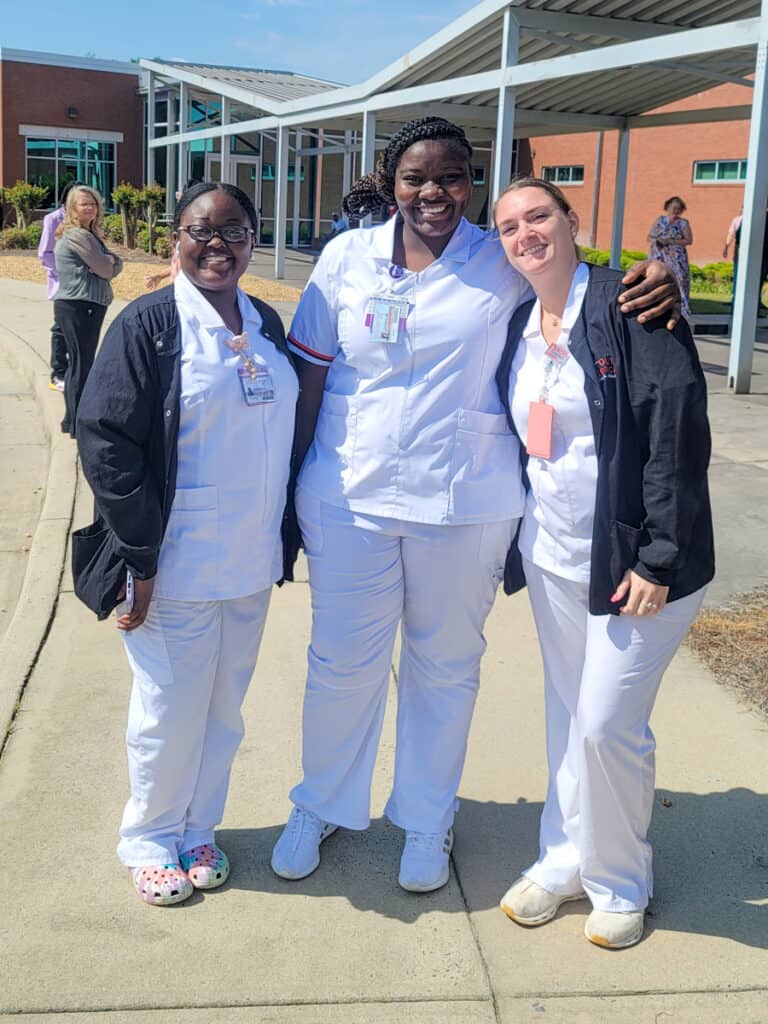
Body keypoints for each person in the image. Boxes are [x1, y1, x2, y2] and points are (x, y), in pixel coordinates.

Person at [270, 116, 680, 894]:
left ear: (472, 182)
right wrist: (289, 490)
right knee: (340, 662)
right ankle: (320, 803)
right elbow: (313, 372)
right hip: (347, 493)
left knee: (445, 667)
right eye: (416, 178)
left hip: (466, 500)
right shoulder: (345, 258)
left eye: (452, 176)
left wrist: (653, 280)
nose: (434, 192)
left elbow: (578, 280)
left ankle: (426, 819)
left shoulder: (499, 258)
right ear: (390, 183)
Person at [493, 177, 714, 949]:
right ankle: (564, 859)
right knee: (567, 716)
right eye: (510, 225)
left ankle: (621, 880)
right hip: (553, 556)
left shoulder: (632, 306)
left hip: (638, 564)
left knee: (605, 724)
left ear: (571, 221)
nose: (526, 234)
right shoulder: (522, 323)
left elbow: (674, 431)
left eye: (539, 216)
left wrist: (658, 556)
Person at [74, 182, 298, 906]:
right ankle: (149, 838)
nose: (218, 245)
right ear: (177, 238)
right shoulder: (149, 324)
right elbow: (106, 440)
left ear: (252, 241)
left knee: (223, 708)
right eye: (202, 230)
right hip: (172, 564)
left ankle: (199, 826)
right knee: (169, 708)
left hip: (248, 559)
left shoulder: (262, 319)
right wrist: (139, 556)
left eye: (234, 232)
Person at [54, 185, 123, 436]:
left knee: (78, 364)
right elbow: (106, 269)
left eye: (93, 203)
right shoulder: (78, 237)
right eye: (84, 204)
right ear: (73, 208)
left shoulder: (85, 234)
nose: (90, 207)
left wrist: (110, 261)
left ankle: (71, 420)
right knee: (82, 366)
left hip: (79, 305)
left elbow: (108, 264)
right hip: (81, 306)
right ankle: (78, 424)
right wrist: (110, 262)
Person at [38, 180, 82, 391]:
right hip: (62, 284)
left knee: (78, 329)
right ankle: (58, 373)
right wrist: (64, 271)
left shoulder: (84, 220)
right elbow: (45, 254)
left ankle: (76, 372)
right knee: (60, 329)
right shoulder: (53, 219)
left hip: (83, 285)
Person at [647, 196, 693, 319]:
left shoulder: (683, 223)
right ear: (667, 207)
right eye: (674, 208)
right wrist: (658, 240)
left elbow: (688, 240)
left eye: (679, 208)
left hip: (676, 257)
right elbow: (649, 237)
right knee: (658, 279)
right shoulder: (659, 220)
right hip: (659, 254)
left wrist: (671, 241)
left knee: (679, 280)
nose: (676, 211)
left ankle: (681, 307)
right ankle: (658, 303)